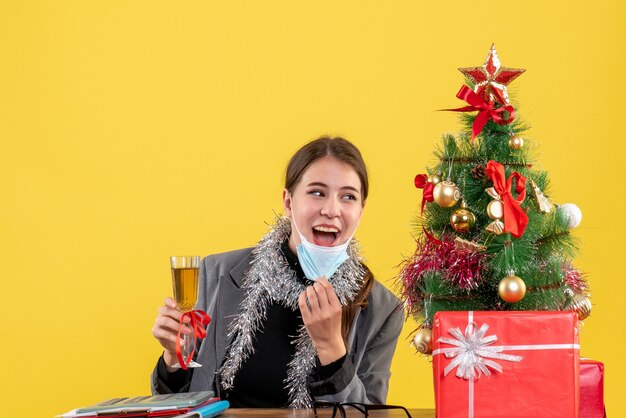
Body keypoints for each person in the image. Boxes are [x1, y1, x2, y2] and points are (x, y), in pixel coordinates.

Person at [151, 136, 403, 408]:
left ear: (360, 211)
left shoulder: (383, 310)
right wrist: (174, 360)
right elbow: (174, 403)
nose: (332, 210)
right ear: (288, 202)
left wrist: (332, 349)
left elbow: (372, 413)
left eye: (348, 197)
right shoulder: (217, 273)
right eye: (317, 192)